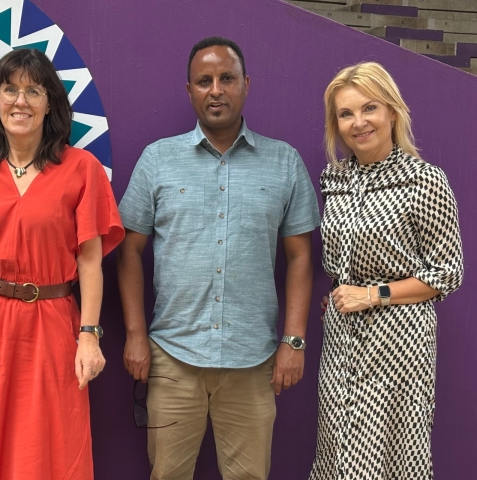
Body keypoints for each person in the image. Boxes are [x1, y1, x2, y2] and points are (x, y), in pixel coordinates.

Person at [117, 36, 321, 480]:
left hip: (255, 360)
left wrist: (294, 341)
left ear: (246, 84)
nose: (216, 90)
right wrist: (135, 334)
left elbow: (301, 258)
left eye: (226, 78)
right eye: (204, 80)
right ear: (188, 90)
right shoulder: (158, 160)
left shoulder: (284, 162)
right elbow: (129, 251)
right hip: (173, 356)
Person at [0, 48, 124, 479]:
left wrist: (88, 336)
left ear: (49, 102)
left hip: (50, 324)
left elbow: (91, 262)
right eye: (10, 89)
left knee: (45, 445)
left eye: (33, 90)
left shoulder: (81, 169)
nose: (21, 101)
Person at [311, 62, 463, 480]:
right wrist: (343, 289)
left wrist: (372, 294)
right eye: (345, 114)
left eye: (369, 108)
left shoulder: (424, 181)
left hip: (399, 348)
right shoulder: (334, 178)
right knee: (338, 454)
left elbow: (448, 272)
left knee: (393, 459)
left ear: (392, 113)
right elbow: (345, 257)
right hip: (342, 345)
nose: (358, 123)